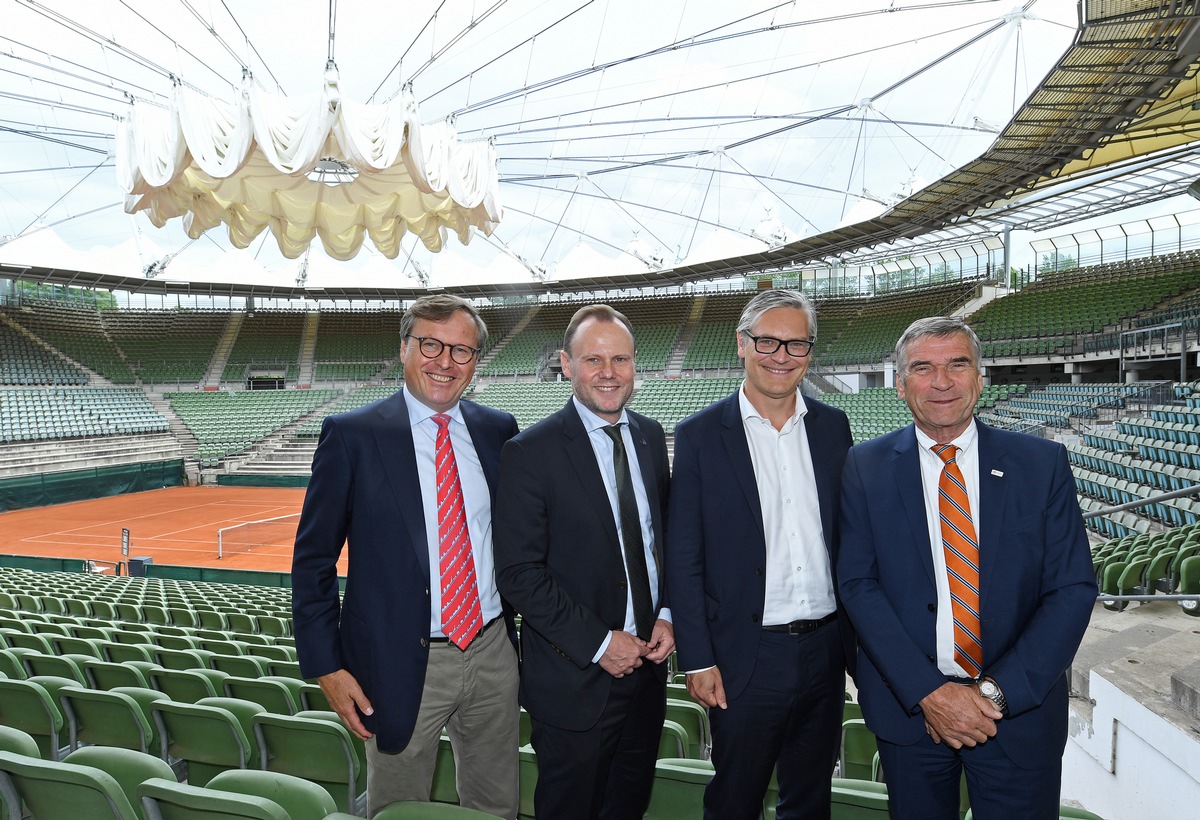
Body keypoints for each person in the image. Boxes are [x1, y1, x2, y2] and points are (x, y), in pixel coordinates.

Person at [837, 316, 1097, 820]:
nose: (941, 382)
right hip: (912, 714)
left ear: (980, 378)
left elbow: (1071, 588)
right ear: (899, 383)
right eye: (923, 368)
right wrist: (929, 693)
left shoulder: (1041, 464)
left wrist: (992, 694)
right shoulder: (863, 466)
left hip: (1018, 715)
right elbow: (857, 585)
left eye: (958, 364)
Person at [291, 294, 521, 819]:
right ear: (404, 349)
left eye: (461, 351)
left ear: (475, 362)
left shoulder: (498, 430)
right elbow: (313, 561)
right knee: (399, 807)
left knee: (496, 804)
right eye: (431, 345)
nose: (445, 362)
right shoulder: (352, 435)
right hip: (397, 660)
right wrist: (327, 666)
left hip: (491, 651)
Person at [665, 288, 855, 820]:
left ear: (810, 354)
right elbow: (684, 555)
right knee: (734, 800)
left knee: (811, 797)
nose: (781, 355)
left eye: (796, 345)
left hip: (825, 650)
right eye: (767, 341)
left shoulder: (832, 427)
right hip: (745, 655)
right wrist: (697, 658)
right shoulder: (700, 435)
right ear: (742, 345)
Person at [494, 304, 672, 820]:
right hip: (576, 681)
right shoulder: (530, 452)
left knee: (627, 806)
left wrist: (668, 613)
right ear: (566, 365)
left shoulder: (650, 436)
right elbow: (518, 574)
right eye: (593, 359)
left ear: (636, 364)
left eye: (620, 358)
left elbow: (663, 543)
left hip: (648, 672)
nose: (609, 372)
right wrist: (599, 643)